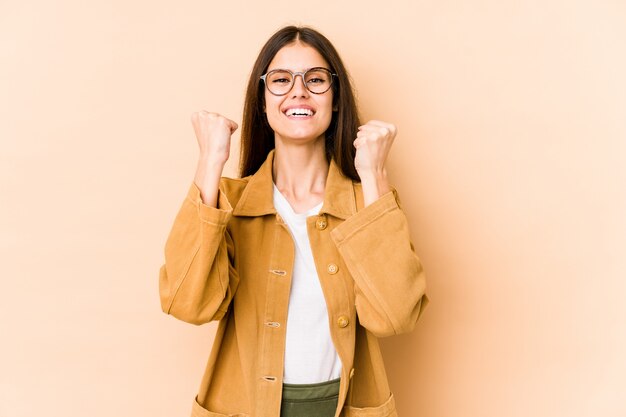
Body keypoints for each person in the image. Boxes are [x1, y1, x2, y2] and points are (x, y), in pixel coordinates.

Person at [159, 25, 428, 417]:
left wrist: (374, 177)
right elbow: (187, 304)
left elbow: (396, 316)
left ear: (335, 100)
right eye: (281, 80)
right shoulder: (229, 205)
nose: (298, 91)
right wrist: (210, 163)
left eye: (315, 80)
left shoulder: (365, 201)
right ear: (262, 102)